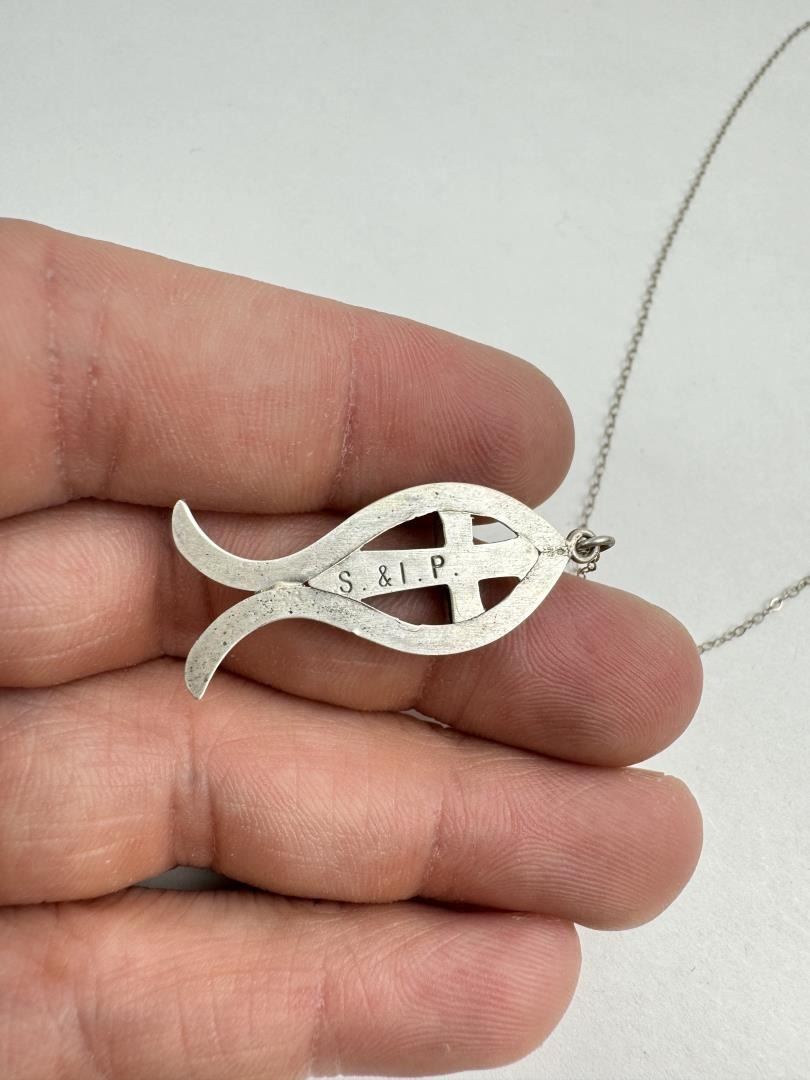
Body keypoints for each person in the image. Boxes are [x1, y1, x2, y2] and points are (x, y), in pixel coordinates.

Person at [0, 220, 702, 1079]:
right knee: (270, 592)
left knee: (273, 597)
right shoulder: (516, 545)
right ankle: (228, 595)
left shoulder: (522, 563)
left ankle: (231, 599)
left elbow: (434, 612)